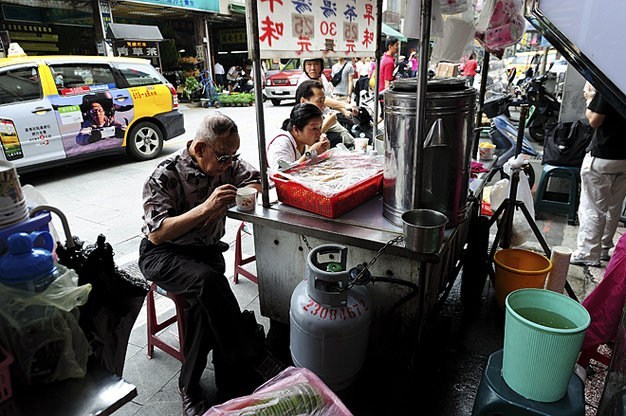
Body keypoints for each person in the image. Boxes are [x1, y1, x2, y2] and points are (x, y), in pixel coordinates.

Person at [138, 114, 284, 415]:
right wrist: (205, 209)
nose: (229, 163)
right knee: (208, 283)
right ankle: (250, 354)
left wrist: (231, 203)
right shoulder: (166, 174)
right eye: (223, 156)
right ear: (201, 148)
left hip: (204, 254)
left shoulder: (225, 162)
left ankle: (192, 385)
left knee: (203, 307)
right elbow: (157, 233)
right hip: (165, 253)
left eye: (234, 156)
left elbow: (258, 181)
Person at [571, 92, 626, 266]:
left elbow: (595, 120)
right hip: (624, 158)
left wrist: (589, 99)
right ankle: (603, 248)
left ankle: (588, 253)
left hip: (603, 155)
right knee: (614, 206)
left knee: (592, 208)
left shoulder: (609, 84)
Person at [266, 102, 330, 170]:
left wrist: (322, 154)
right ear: (296, 130)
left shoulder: (303, 142)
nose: (319, 133)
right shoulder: (281, 143)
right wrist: (310, 154)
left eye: (320, 127)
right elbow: (282, 173)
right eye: (314, 128)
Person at [296, 80, 354, 148]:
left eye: (324, 101)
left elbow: (347, 138)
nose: (323, 106)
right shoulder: (297, 125)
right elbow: (308, 152)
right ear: (303, 101)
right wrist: (326, 125)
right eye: (319, 101)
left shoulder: (323, 118)